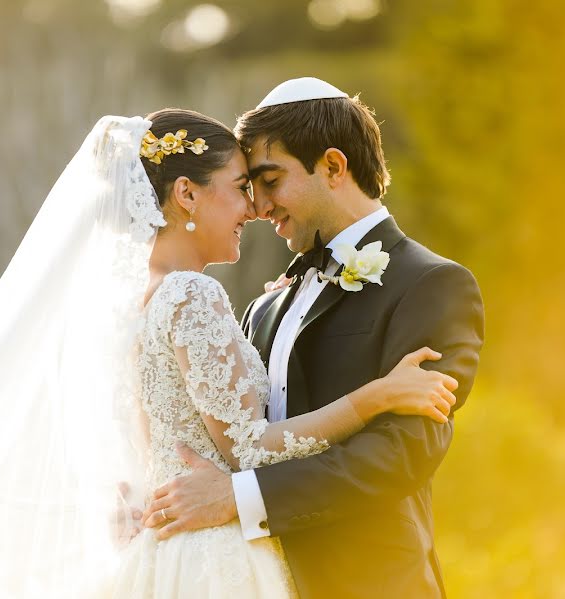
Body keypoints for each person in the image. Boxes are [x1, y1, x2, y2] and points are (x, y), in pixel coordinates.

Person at [0, 106, 457, 598]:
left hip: (166, 550)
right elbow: (251, 448)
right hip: (214, 556)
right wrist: (376, 396)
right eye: (239, 187)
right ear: (186, 195)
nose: (253, 208)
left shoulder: (137, 303)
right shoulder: (190, 297)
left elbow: (158, 448)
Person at [140, 78, 485, 598]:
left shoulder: (432, 285)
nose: (257, 207)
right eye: (248, 187)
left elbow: (401, 454)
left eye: (270, 180)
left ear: (332, 167)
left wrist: (239, 498)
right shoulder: (265, 305)